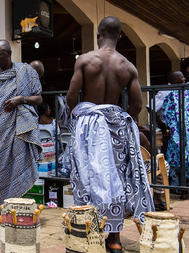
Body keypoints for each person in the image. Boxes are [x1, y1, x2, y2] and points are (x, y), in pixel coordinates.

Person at [66, 16, 153, 252]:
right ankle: (114, 239)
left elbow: (72, 97)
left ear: (98, 34)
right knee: (115, 180)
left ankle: (90, 233)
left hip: (88, 128)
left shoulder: (85, 60)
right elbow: (137, 105)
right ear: (120, 36)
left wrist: (81, 119)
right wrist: (122, 120)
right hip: (115, 126)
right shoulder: (127, 66)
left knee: (87, 178)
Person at [0, 40, 43, 226]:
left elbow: (39, 98)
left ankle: (12, 212)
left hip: (16, 129)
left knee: (16, 167)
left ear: (9, 54)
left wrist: (21, 99)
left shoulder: (25, 71)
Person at [161, 70, 188, 200]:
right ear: (175, 80)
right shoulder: (170, 95)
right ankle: (182, 189)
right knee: (179, 161)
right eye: (181, 76)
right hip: (177, 134)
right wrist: (167, 129)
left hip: (186, 132)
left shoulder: (187, 91)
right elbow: (164, 113)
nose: (184, 78)